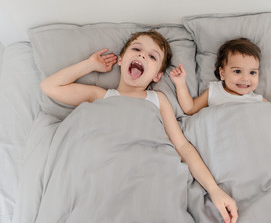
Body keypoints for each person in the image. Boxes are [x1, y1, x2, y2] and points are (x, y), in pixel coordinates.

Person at [40, 30, 238, 223]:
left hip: (149, 171)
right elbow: (49, 87)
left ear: (157, 76)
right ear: (121, 59)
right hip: (105, 170)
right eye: (136, 49)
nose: (142, 55)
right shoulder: (100, 95)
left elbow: (183, 147)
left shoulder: (158, 99)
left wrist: (214, 190)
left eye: (152, 57)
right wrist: (90, 65)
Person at [170, 37, 268, 115]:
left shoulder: (258, 101)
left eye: (252, 73)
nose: (245, 78)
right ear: (222, 74)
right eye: (237, 71)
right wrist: (180, 83)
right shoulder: (215, 91)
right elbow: (190, 108)